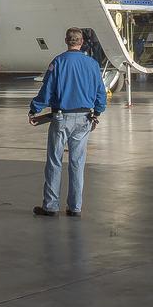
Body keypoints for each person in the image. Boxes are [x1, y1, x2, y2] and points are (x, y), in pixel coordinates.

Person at [29, 28, 108, 217]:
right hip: (84, 119)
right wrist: (97, 112)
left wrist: (34, 109)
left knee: (55, 162)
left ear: (66, 40)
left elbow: (47, 91)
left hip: (61, 119)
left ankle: (50, 206)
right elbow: (100, 93)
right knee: (77, 163)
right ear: (81, 42)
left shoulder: (58, 62)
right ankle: (75, 207)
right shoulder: (92, 64)